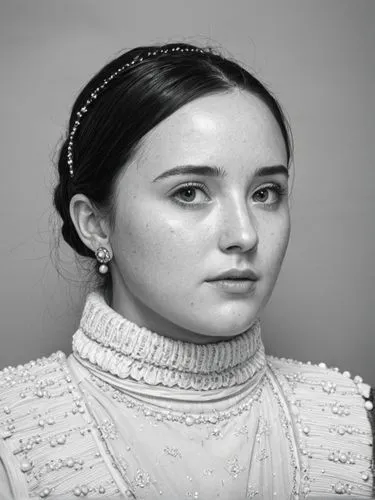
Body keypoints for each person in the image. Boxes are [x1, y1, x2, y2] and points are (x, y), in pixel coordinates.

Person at [0, 42, 373, 500]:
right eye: (191, 193)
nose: (245, 235)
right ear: (95, 224)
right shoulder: (12, 434)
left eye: (264, 193)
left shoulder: (354, 423)